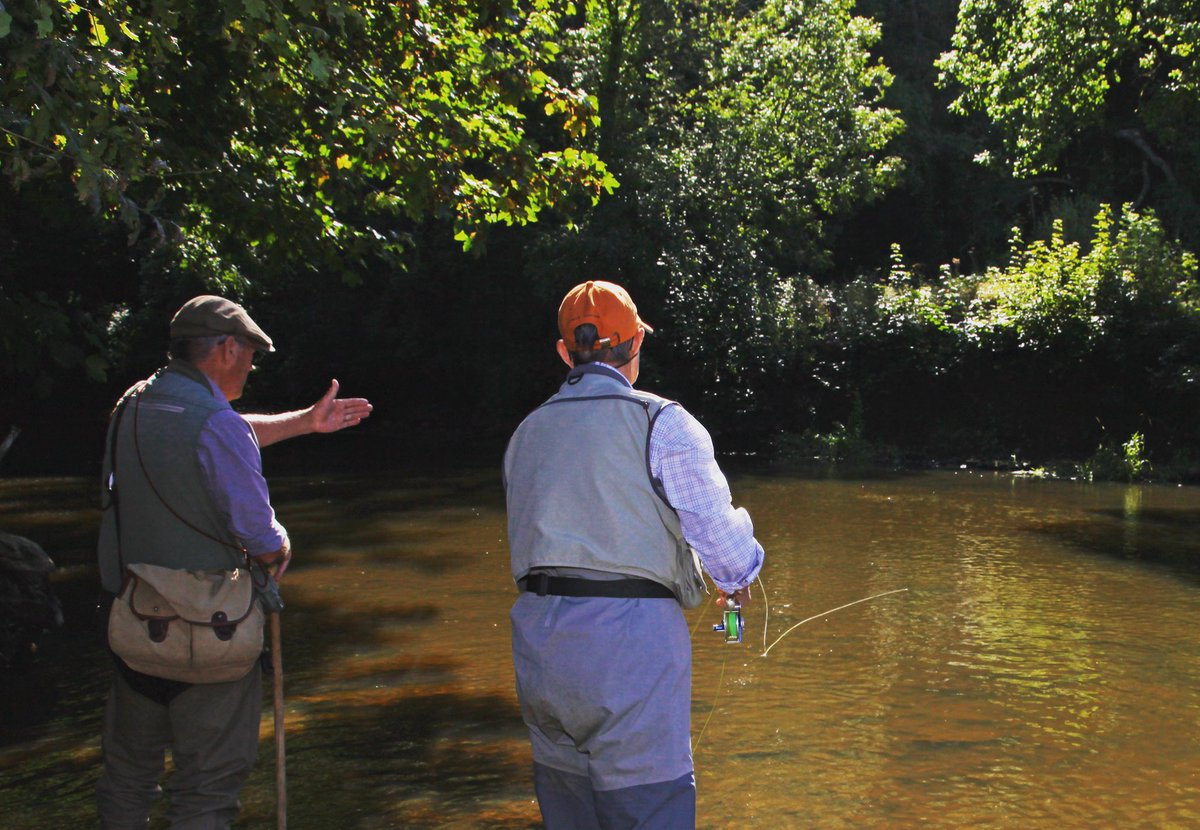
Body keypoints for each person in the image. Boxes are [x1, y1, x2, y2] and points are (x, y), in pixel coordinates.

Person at [95, 294, 372, 829]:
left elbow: (217, 433)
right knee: (206, 791)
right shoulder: (213, 424)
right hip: (208, 637)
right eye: (249, 352)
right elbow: (261, 538)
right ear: (225, 348)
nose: (251, 364)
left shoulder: (134, 403)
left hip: (132, 627)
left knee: (127, 779)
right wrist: (282, 547)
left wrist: (304, 423)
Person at [503, 280, 765, 828]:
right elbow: (725, 548)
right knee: (649, 809)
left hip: (538, 649)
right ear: (636, 346)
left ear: (563, 352)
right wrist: (737, 574)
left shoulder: (525, 431)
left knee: (570, 814)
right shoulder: (663, 422)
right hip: (627, 649)